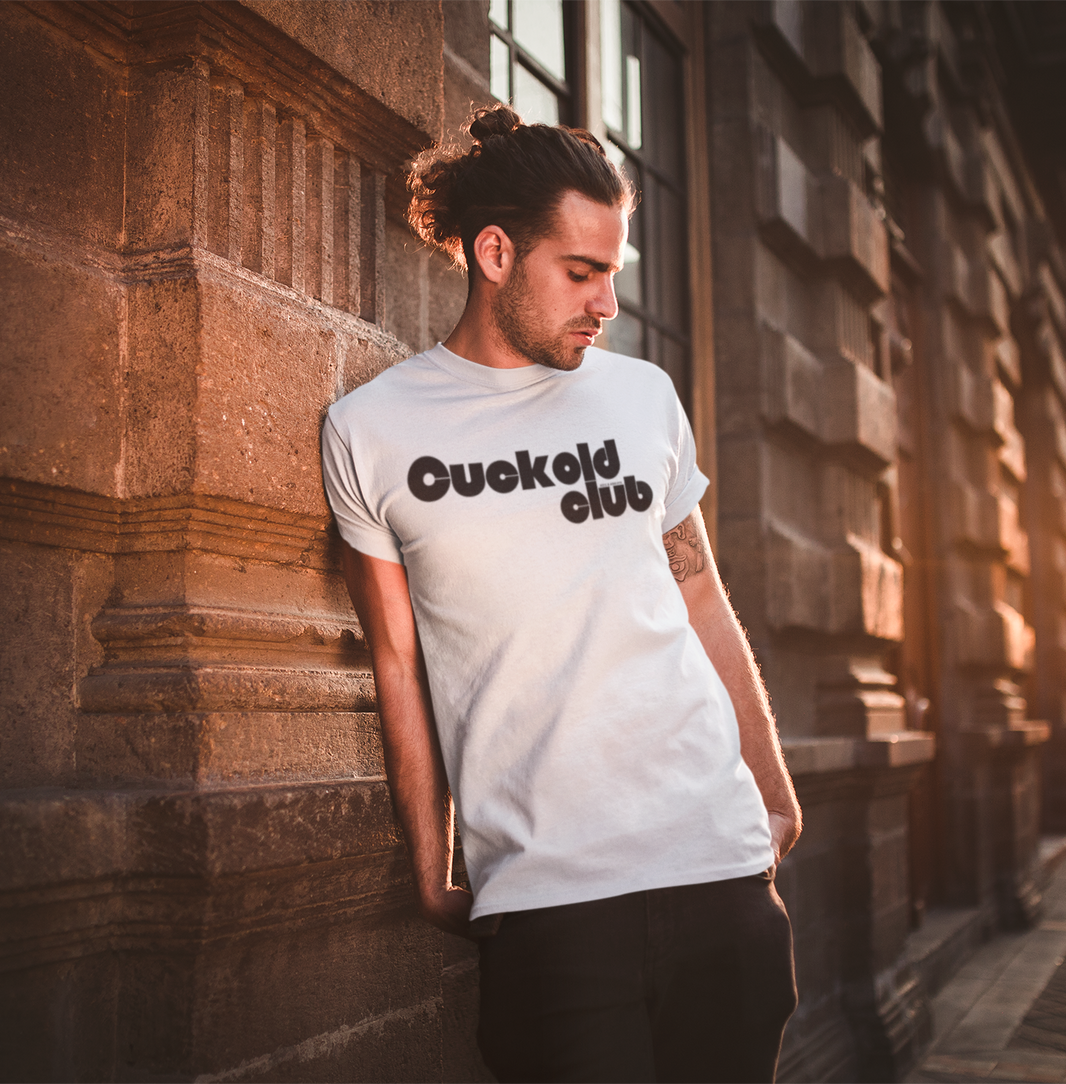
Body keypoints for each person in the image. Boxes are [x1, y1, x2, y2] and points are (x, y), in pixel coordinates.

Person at [320, 104, 802, 1083]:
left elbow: (697, 591)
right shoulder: (370, 430)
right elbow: (396, 655)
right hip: (547, 899)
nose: (606, 303)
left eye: (611, 273)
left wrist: (771, 783)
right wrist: (428, 860)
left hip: (716, 867)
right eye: (579, 273)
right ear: (493, 252)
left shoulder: (642, 398)